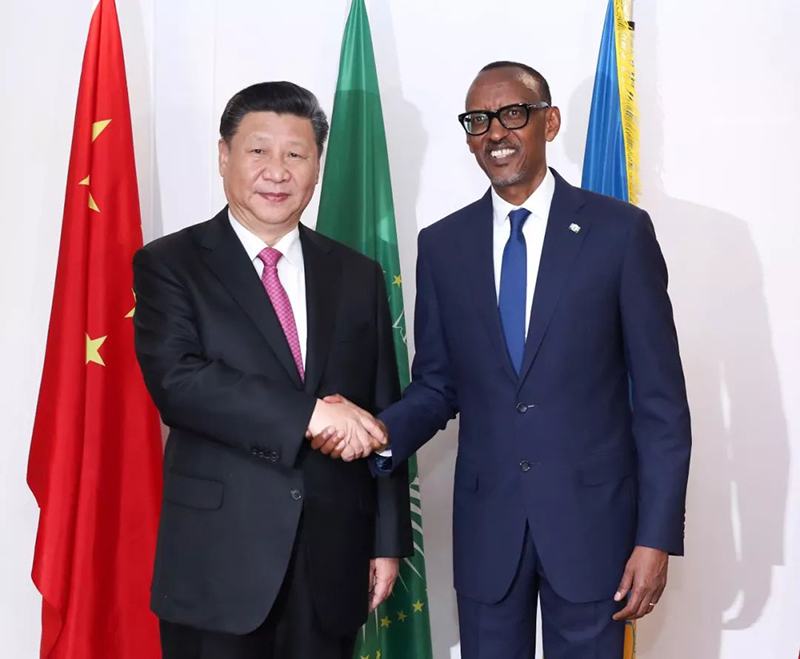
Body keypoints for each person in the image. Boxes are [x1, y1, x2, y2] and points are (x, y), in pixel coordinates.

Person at [326, 61, 692, 658]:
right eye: (478, 120)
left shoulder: (619, 233)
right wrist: (379, 433)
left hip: (594, 528)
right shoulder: (442, 245)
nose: (495, 131)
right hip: (487, 531)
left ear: (550, 122)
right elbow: (438, 384)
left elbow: (661, 403)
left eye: (513, 114)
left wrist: (655, 538)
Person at [132, 81, 412, 659]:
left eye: (296, 154)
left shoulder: (357, 276)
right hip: (218, 564)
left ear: (317, 167)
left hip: (333, 561)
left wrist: (387, 540)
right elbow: (180, 383)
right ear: (224, 156)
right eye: (258, 150)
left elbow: (380, 409)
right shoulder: (170, 264)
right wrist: (310, 415)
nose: (277, 171)